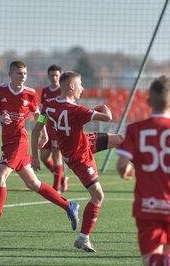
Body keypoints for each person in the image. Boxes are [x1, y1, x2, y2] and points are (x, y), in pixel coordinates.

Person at [0, 61, 79, 235]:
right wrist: (0, 118)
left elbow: (38, 115)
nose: (23, 77)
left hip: (20, 141)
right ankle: (69, 206)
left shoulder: (30, 93)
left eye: (25, 74)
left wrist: (44, 132)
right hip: (8, 143)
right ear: (10, 74)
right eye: (19, 73)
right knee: (33, 183)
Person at [115, 75, 170, 266]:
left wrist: (126, 171)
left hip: (147, 204)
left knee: (150, 257)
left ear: (148, 102)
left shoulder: (135, 130)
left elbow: (122, 165)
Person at [31, 71, 124, 252]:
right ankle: (83, 238)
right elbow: (108, 117)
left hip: (83, 142)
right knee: (98, 196)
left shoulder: (48, 106)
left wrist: (35, 156)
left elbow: (36, 129)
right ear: (71, 86)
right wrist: (104, 107)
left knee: (120, 138)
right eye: (80, 85)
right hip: (79, 158)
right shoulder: (77, 110)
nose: (83, 88)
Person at [38, 64, 68, 192]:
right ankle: (62, 178)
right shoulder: (45, 91)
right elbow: (41, 110)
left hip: (58, 129)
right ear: (48, 76)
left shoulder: (64, 90)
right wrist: (40, 125)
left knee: (57, 156)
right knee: (44, 157)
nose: (54, 78)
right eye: (52, 75)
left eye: (57, 75)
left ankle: (56, 187)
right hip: (47, 128)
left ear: (60, 76)